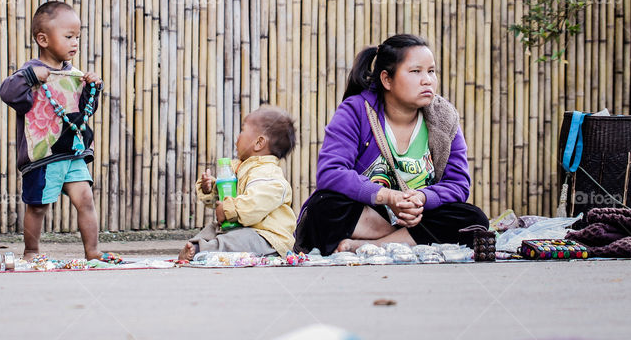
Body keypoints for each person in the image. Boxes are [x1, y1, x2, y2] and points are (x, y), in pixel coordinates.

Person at [294, 34, 488, 255]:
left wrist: (422, 198)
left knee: (473, 219)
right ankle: (404, 240)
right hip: (370, 214)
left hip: (419, 216)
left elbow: (458, 184)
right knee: (324, 207)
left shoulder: (444, 118)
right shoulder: (356, 111)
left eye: (431, 71)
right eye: (416, 71)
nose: (427, 80)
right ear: (387, 79)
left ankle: (373, 246)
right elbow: (331, 173)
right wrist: (387, 197)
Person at [0, 1, 107, 261]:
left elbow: (85, 111)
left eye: (77, 37)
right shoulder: (30, 73)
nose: (75, 43)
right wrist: (32, 77)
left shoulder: (76, 76)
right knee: (37, 207)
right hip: (42, 155)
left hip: (73, 152)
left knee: (86, 199)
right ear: (43, 39)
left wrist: (94, 88)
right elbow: (8, 93)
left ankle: (92, 251)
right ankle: (32, 251)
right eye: (68, 36)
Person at [178, 106, 298, 262]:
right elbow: (227, 198)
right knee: (213, 229)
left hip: (267, 239)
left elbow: (255, 203)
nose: (238, 136)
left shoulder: (269, 174)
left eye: (242, 130)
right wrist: (211, 189)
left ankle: (203, 251)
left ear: (259, 142)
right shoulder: (240, 169)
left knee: (240, 239)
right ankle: (195, 246)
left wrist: (229, 209)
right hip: (242, 229)